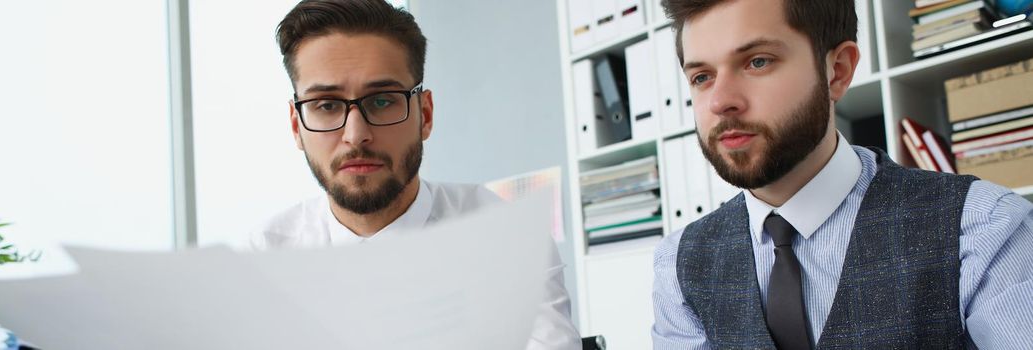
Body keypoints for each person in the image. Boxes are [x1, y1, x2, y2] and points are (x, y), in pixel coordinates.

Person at [651, 0, 1033, 348]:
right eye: (702, 77)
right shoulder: (679, 264)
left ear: (837, 71)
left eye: (758, 61)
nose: (720, 101)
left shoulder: (983, 227)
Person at [250, 1, 581, 349]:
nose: (355, 134)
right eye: (327, 105)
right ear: (295, 126)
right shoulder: (265, 262)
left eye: (382, 101)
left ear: (424, 114)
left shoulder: (507, 239)